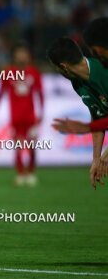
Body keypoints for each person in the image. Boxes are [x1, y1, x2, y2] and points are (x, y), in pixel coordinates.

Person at [47, 37, 108, 189]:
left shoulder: (104, 71)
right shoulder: (77, 82)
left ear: (64, 67)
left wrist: (105, 156)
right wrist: (96, 159)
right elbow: (98, 116)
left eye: (57, 68)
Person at [0, 43, 44, 186]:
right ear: (15, 55)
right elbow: (0, 93)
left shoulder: (34, 73)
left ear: (28, 55)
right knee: (18, 146)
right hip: (16, 117)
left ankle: (31, 173)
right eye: (19, 53)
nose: (21, 56)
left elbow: (40, 94)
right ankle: (21, 174)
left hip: (31, 117)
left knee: (32, 146)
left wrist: (42, 113)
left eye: (24, 53)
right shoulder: (8, 72)